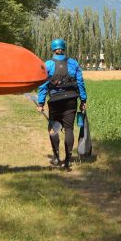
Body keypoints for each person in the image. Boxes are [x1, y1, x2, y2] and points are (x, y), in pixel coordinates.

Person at [37, 38, 87, 170]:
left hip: (55, 101)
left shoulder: (47, 64)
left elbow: (43, 85)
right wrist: (83, 100)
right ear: (64, 48)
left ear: (53, 49)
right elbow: (80, 83)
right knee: (69, 128)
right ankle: (68, 159)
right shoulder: (73, 63)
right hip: (71, 100)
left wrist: (40, 103)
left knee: (54, 128)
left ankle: (56, 156)